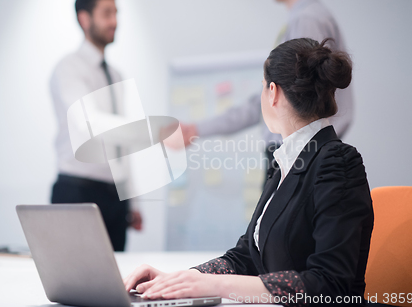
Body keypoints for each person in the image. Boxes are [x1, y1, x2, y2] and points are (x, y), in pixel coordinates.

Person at [124, 38, 374, 306]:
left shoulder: (337, 161)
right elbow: (246, 256)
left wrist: (214, 284)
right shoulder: (287, 162)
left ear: (273, 92)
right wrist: (183, 279)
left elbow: (330, 285)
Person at [180, 0, 353, 181]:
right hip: (295, 156)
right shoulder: (308, 18)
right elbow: (272, 99)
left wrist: (196, 129)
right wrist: (197, 129)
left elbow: (296, 101)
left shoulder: (307, 20)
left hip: (295, 159)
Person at [49, 0, 142, 252]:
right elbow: (89, 122)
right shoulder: (69, 68)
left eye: (116, 13)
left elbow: (121, 145)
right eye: (106, 13)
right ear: (84, 19)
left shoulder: (116, 75)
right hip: (77, 192)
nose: (114, 21)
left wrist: (131, 199)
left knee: (116, 278)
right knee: (74, 277)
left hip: (114, 196)